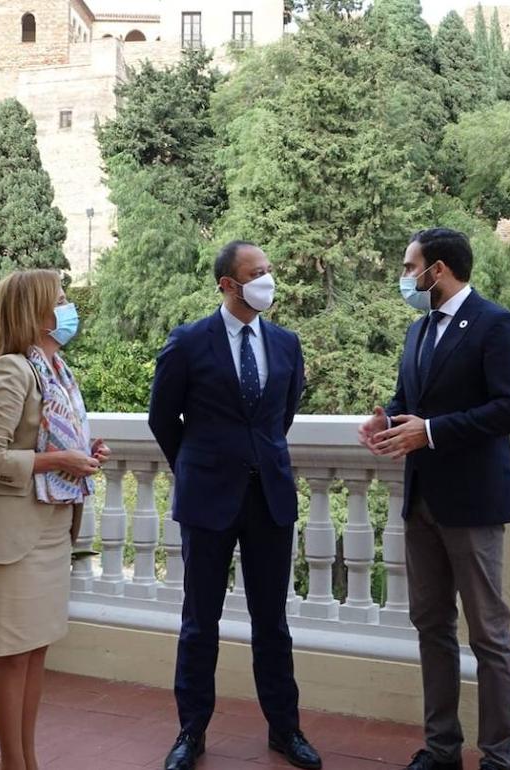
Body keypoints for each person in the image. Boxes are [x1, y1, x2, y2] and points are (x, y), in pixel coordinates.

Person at [358, 228, 510, 770]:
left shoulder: (495, 325)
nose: (404, 276)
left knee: (489, 635)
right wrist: (386, 418)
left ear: (438, 270)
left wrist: (429, 432)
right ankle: (441, 749)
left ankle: (498, 758)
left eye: (410, 267)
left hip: (474, 502)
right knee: (431, 626)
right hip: (422, 501)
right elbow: (411, 398)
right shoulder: (416, 332)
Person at [148, 241, 322, 770]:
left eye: (269, 270)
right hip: (208, 499)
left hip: (269, 496)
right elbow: (162, 419)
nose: (267, 280)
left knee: (273, 622)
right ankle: (191, 733)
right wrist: (199, 468)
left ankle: (285, 730)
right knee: (200, 622)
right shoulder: (188, 342)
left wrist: (253, 458)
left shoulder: (287, 344)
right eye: (256, 273)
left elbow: (280, 416)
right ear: (227, 284)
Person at [0, 269, 111, 770]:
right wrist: (56, 462)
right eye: (61, 299)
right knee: (11, 654)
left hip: (49, 525)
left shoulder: (58, 371)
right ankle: (14, 763)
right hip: (12, 533)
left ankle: (23, 760)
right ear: (36, 311)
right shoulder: (10, 370)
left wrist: (82, 452)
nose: (69, 307)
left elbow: (45, 440)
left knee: (35, 651)